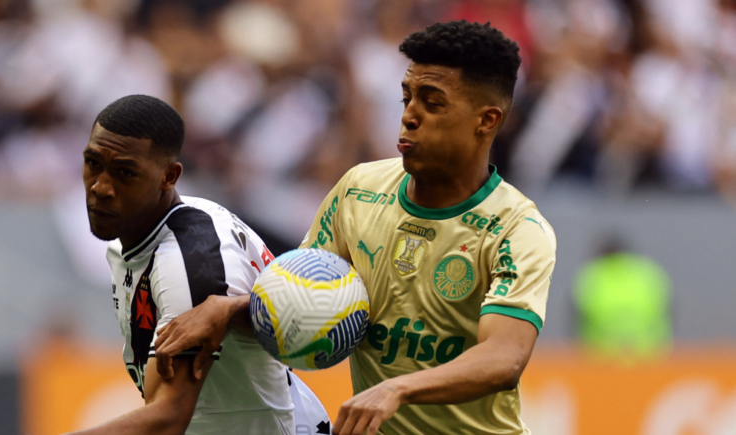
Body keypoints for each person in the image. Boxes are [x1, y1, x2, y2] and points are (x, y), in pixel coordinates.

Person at [156, 21, 556, 435]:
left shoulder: (516, 229)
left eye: (433, 103)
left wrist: (397, 389)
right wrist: (228, 309)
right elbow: (299, 302)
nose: (409, 116)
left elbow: (504, 357)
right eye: (406, 97)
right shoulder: (358, 192)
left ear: (486, 120)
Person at [72, 94, 329, 435]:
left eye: (125, 173)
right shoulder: (143, 229)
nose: (101, 187)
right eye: (93, 163)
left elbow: (168, 416)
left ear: (169, 176)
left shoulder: (189, 262)